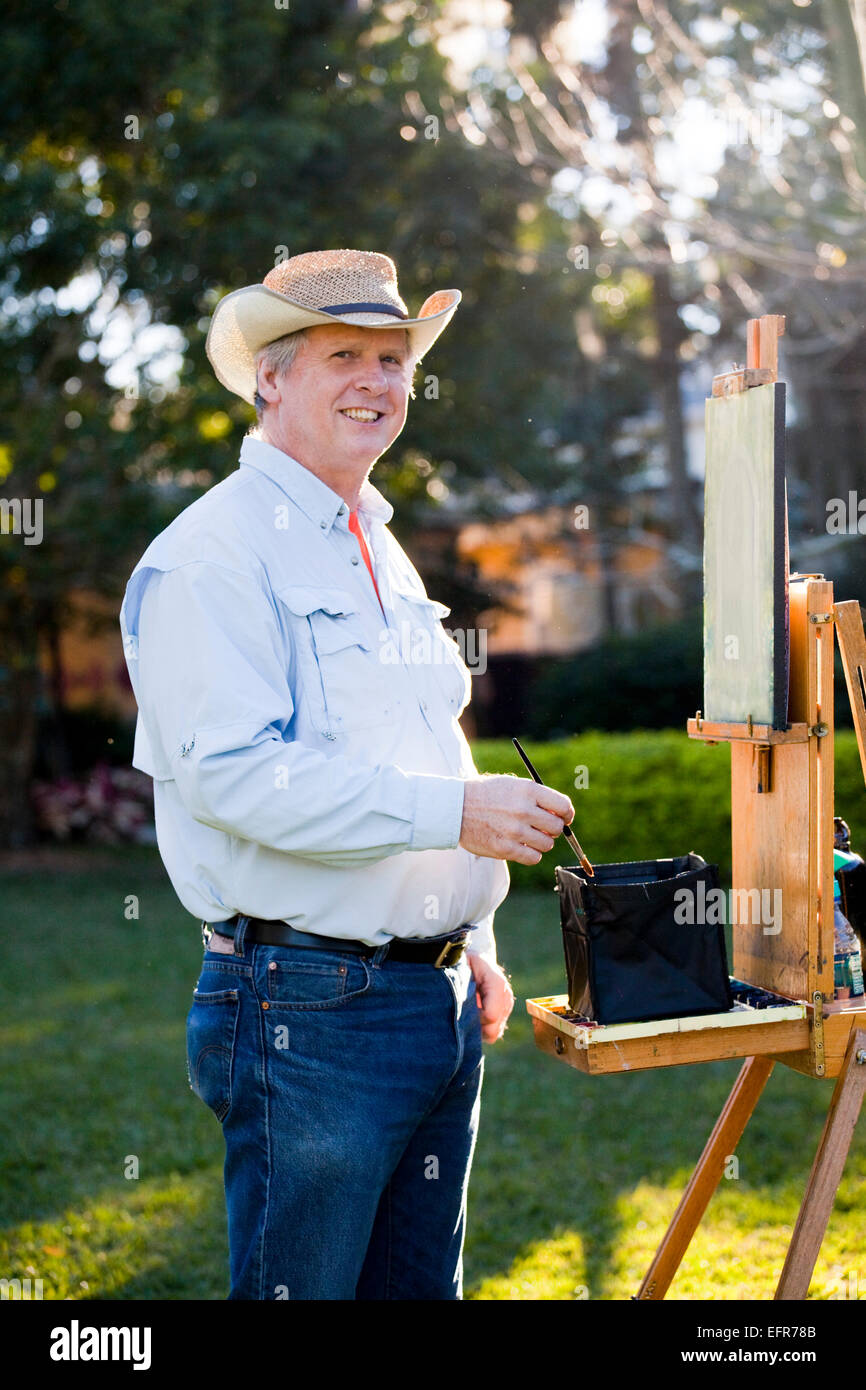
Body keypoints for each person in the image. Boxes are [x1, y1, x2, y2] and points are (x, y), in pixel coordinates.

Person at [119, 248, 574, 1300]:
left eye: (392, 356)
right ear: (269, 377)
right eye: (343, 356)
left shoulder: (379, 545)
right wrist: (456, 816)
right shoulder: (210, 555)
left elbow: (423, 740)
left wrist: (474, 938)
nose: (377, 379)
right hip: (306, 1008)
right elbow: (238, 778)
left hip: (435, 1000)